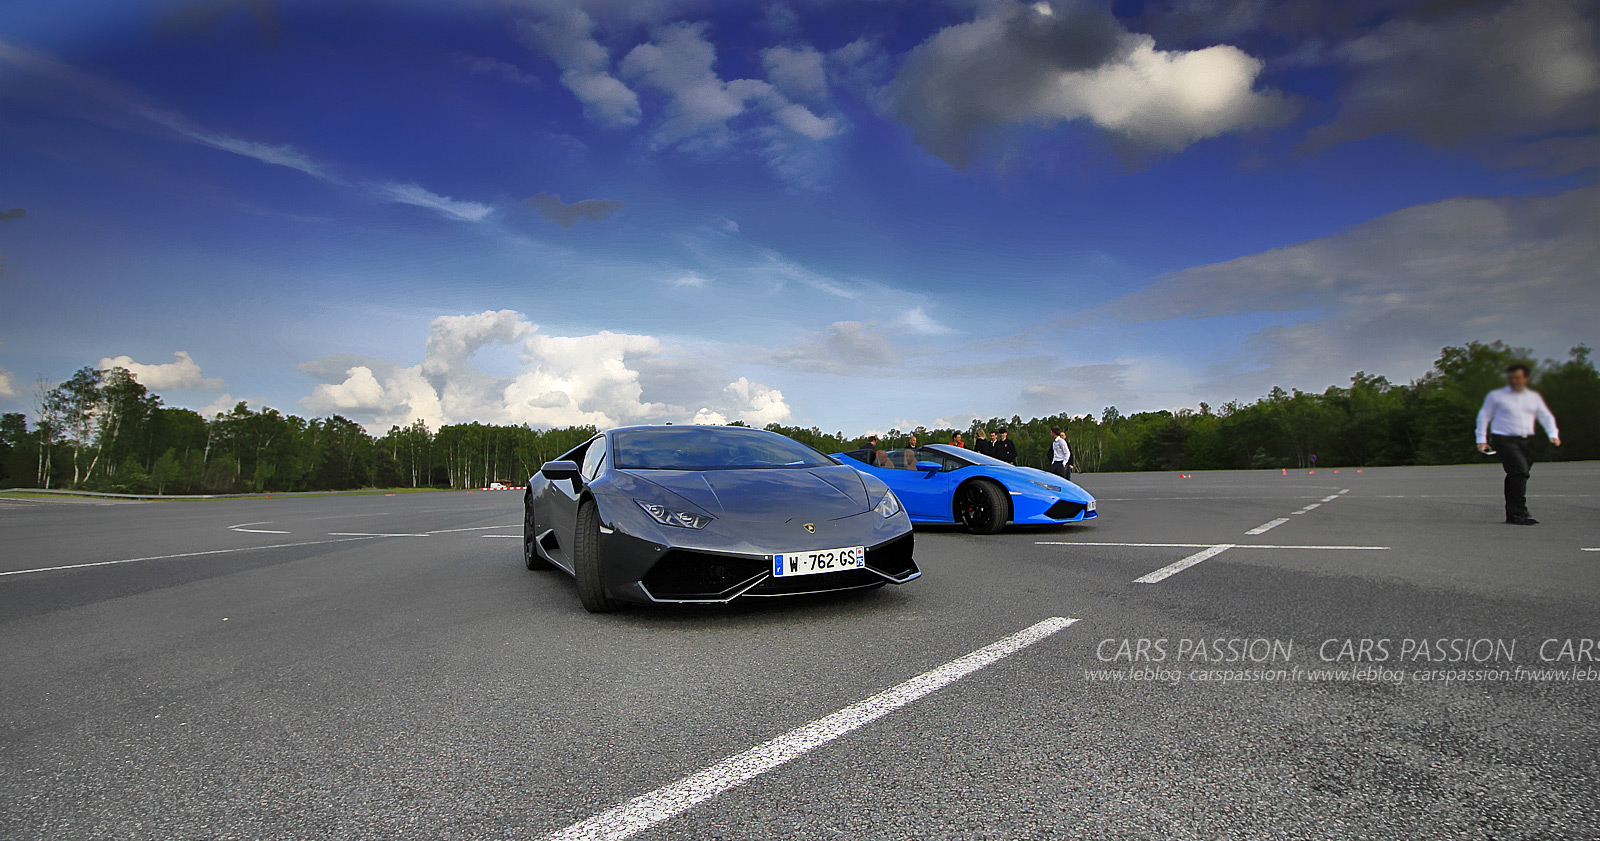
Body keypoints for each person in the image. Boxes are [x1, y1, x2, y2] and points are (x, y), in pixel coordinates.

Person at [1476, 363, 1561, 525]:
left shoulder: (1533, 397)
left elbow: (1545, 416)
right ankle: (1518, 513)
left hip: (1526, 440)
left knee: (1520, 474)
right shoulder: (1497, 396)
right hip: (1504, 438)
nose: (1514, 381)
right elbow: (1484, 416)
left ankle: (1513, 512)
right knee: (1519, 471)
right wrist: (1481, 439)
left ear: (1526, 379)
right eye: (1511, 378)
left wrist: (1553, 434)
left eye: (1518, 377)